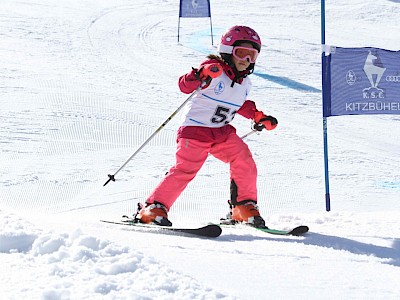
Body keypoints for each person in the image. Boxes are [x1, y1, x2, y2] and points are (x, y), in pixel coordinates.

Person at [134, 25, 278, 228]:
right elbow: (185, 85)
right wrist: (201, 74)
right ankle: (153, 208)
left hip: (222, 134)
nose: (246, 60)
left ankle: (243, 207)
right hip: (195, 131)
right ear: (228, 51)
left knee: (243, 160)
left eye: (252, 56)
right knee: (185, 170)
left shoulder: (244, 83)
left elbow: (240, 103)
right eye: (241, 53)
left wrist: (258, 116)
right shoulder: (213, 69)